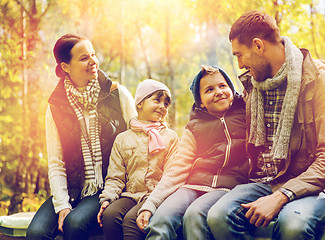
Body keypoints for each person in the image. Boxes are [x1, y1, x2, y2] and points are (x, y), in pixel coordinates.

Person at [207, 10, 325, 240]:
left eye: (240, 55)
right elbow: (222, 111)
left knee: (293, 225)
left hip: (311, 185)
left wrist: (282, 195)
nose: (240, 64)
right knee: (218, 215)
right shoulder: (254, 87)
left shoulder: (323, 83)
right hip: (263, 182)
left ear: (258, 45)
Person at [26, 34, 136, 240]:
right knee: (36, 233)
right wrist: (62, 206)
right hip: (73, 187)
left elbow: (139, 142)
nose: (93, 61)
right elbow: (56, 163)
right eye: (84, 58)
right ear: (66, 67)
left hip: (107, 187)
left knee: (74, 225)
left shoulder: (117, 94)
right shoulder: (55, 107)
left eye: (93, 54)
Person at [136, 66, 249, 239]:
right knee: (160, 220)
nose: (218, 92)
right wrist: (151, 203)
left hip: (227, 187)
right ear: (200, 101)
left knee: (195, 215)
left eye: (222, 86)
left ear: (232, 90)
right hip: (192, 186)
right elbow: (177, 168)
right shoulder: (194, 128)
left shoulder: (246, 113)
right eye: (209, 90)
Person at [97, 79, 179, 240]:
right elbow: (115, 177)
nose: (163, 106)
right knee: (110, 215)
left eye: (166, 104)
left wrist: (154, 200)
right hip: (131, 195)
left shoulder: (170, 137)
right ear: (140, 103)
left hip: (156, 195)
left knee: (131, 220)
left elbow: (172, 175)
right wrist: (107, 199)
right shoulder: (123, 139)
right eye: (157, 100)